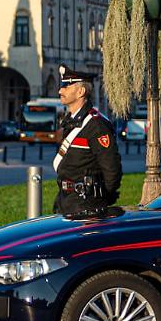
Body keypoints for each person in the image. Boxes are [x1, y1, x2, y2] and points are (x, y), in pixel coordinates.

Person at [52, 64, 122, 217]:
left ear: (81, 92)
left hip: (86, 205)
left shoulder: (96, 125)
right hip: (65, 200)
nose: (60, 91)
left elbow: (112, 168)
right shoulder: (70, 121)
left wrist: (100, 197)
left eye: (66, 86)